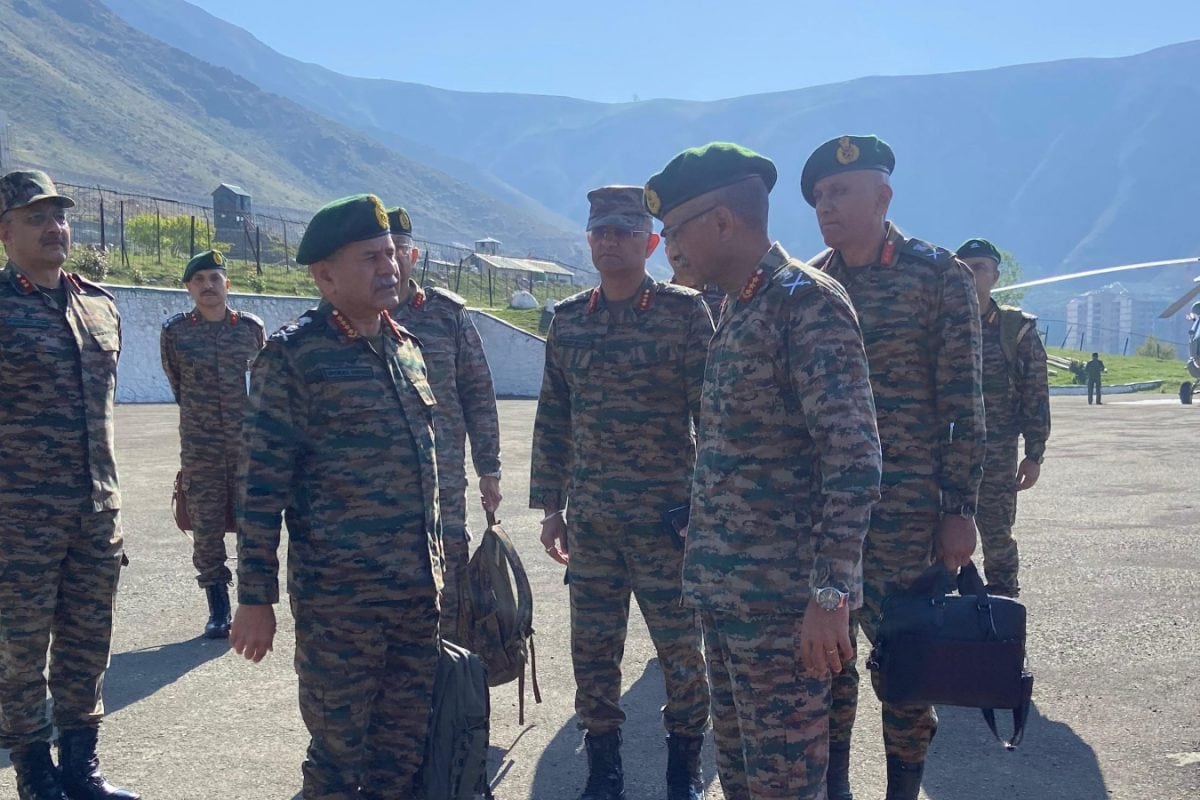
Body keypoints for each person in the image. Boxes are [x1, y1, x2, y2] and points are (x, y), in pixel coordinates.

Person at [646, 143, 883, 800]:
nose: (670, 249)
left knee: (786, 787)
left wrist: (830, 594)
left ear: (723, 222)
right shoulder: (739, 307)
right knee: (745, 785)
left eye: (677, 230)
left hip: (784, 612)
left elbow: (854, 457)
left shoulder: (805, 303)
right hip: (729, 601)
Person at [229, 194, 442, 800]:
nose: (390, 268)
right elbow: (261, 488)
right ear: (325, 276)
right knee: (339, 757)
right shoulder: (294, 358)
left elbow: (425, 471)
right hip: (342, 603)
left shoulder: (405, 347)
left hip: (416, 593)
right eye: (370, 258)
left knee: (402, 751)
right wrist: (255, 598)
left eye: (391, 254)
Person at [802, 135, 985, 800]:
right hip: (825, 513)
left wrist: (959, 508)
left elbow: (962, 400)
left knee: (906, 662)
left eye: (840, 192)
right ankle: (836, 787)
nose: (826, 205)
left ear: (883, 196)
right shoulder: (808, 285)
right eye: (819, 196)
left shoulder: (937, 276)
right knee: (828, 662)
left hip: (906, 512)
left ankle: (903, 790)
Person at [531, 185, 714, 800]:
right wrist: (550, 508)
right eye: (600, 232)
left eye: (623, 232)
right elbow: (553, 419)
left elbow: (710, 417)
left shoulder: (684, 313)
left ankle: (682, 772)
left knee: (682, 654)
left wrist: (710, 512)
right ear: (589, 240)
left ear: (651, 242)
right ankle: (603, 773)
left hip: (668, 524)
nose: (609, 242)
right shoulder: (567, 321)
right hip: (593, 527)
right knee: (592, 655)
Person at [0, 170, 139, 800]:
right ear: (6, 233)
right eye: (37, 218)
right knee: (19, 649)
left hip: (96, 511)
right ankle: (34, 772)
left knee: (88, 644)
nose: (54, 228)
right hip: (17, 516)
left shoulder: (99, 305)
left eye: (59, 216)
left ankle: (82, 768)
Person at [387, 207, 502, 640]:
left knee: (451, 571)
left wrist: (489, 468)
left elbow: (478, 392)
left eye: (399, 249)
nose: (391, 260)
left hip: (444, 477)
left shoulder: (446, 314)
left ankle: (451, 661)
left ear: (414, 255)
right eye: (381, 251)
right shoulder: (355, 317)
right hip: (381, 483)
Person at [160, 249, 265, 638]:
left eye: (215, 278)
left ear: (227, 284)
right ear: (189, 288)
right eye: (199, 280)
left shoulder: (250, 329)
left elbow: (262, 383)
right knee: (205, 528)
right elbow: (178, 385)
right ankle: (218, 607)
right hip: (200, 448)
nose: (208, 286)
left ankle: (253, 601)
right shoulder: (176, 333)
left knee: (253, 525)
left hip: (246, 447)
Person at [956, 238, 1050, 597]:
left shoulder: (1014, 329)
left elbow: (1035, 392)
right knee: (933, 537)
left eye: (979, 268)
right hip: (945, 450)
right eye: (964, 268)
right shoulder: (942, 323)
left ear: (995, 276)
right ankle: (939, 613)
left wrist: (1034, 453)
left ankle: (1002, 607)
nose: (971, 275)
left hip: (996, 453)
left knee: (997, 535)